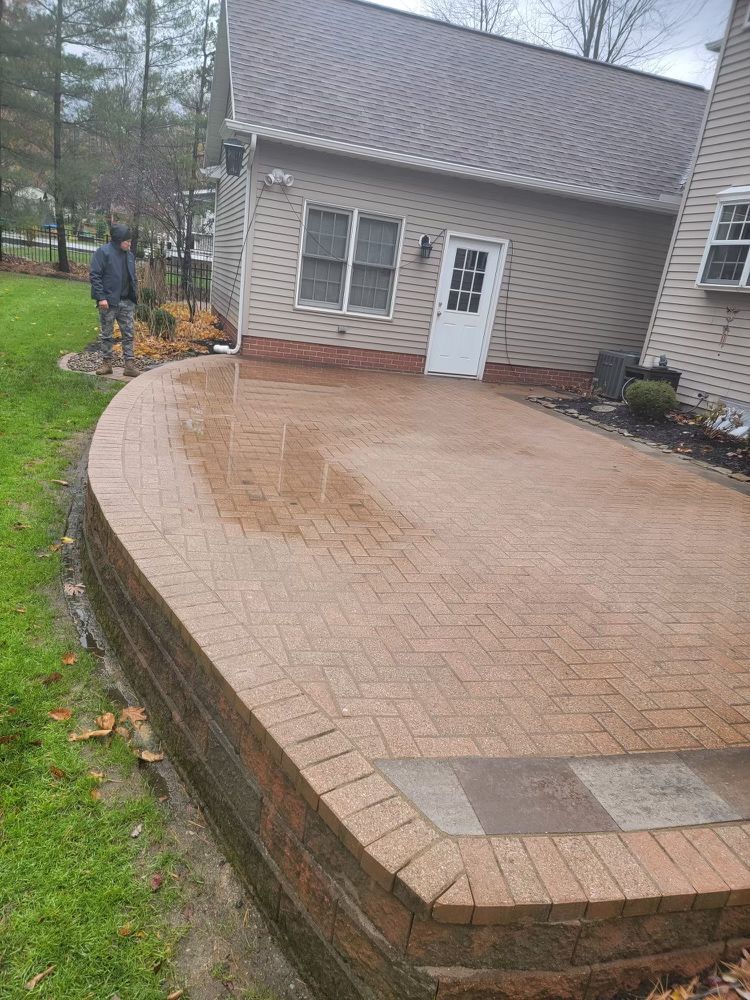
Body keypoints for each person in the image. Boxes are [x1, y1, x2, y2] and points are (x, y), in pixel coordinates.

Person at [90, 223, 139, 377]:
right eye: (127, 241)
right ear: (119, 240)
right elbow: (95, 275)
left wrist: (133, 296)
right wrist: (101, 297)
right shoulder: (103, 252)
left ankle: (129, 366)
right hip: (109, 302)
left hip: (126, 302)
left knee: (129, 334)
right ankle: (107, 364)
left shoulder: (129, 256)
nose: (130, 244)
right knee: (107, 334)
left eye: (130, 241)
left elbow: (132, 278)